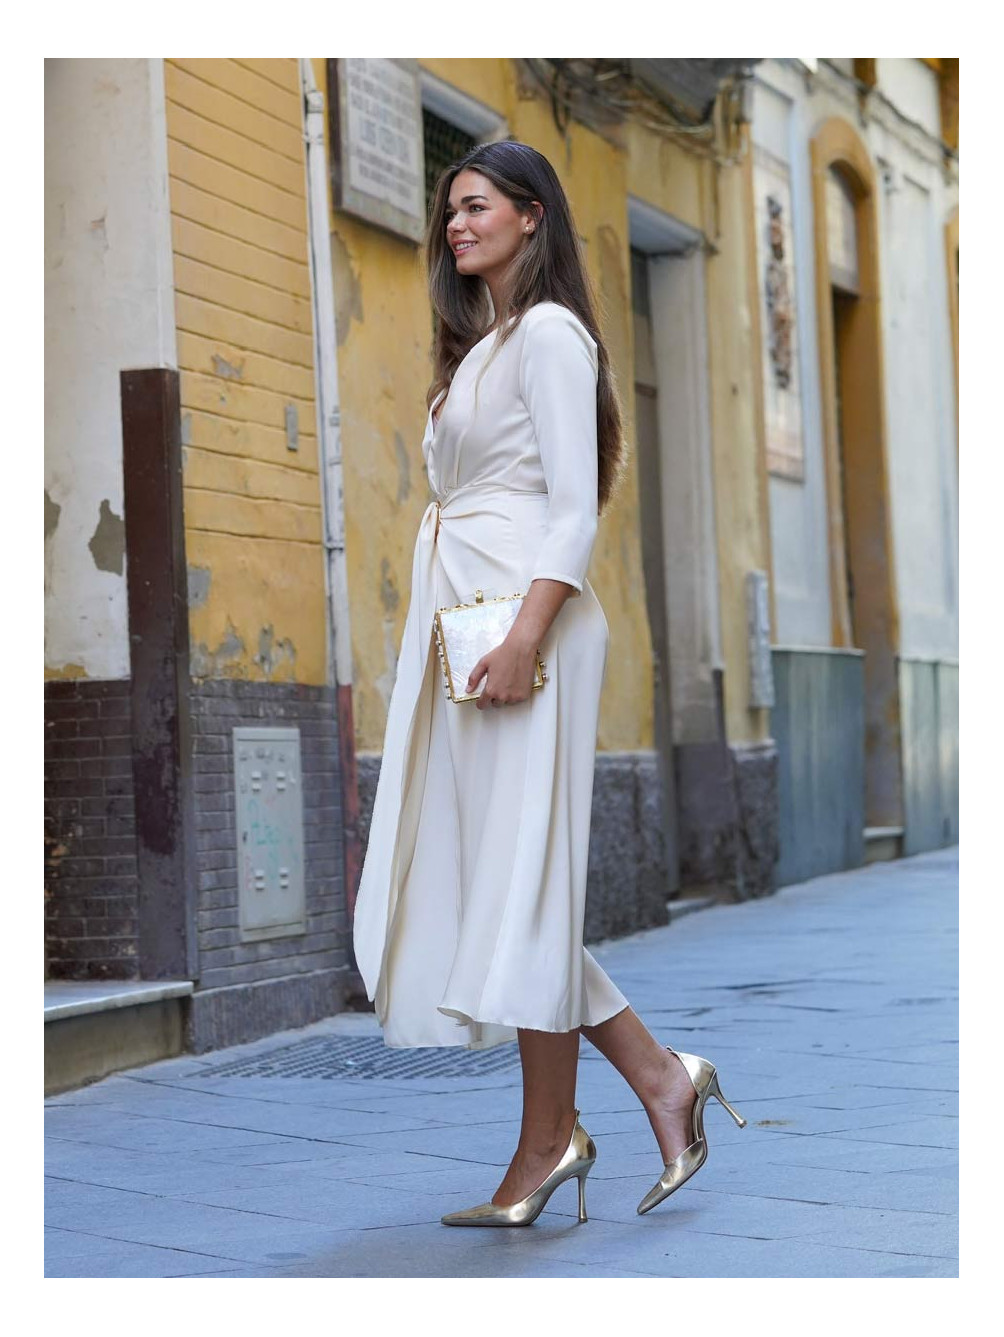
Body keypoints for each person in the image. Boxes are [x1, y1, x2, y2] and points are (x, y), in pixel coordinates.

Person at [352, 140, 745, 1227]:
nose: (453, 225)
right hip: (472, 635)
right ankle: (649, 1083)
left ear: (532, 216)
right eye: (447, 211)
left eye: (473, 205)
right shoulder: (481, 346)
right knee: (503, 891)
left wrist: (527, 632)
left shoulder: (554, 338)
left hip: (529, 631)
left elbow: (573, 505)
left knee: (517, 890)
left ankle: (553, 1140)